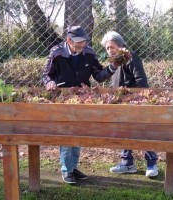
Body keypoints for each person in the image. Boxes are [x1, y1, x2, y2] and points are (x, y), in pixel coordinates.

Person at [42, 26, 118, 184]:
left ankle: (72, 167)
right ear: (69, 41)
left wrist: (112, 67)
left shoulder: (89, 53)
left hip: (83, 99)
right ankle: (66, 170)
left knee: (77, 133)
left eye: (84, 41)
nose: (83, 44)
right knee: (66, 133)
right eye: (79, 42)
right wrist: (49, 82)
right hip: (63, 99)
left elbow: (98, 75)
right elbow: (46, 75)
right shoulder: (56, 53)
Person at [101, 31, 159, 177]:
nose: (110, 50)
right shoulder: (114, 62)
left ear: (120, 45)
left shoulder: (131, 58)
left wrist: (139, 99)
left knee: (142, 131)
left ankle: (152, 163)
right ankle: (127, 164)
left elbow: (141, 81)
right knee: (124, 131)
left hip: (135, 102)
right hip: (120, 102)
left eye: (112, 47)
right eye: (107, 48)